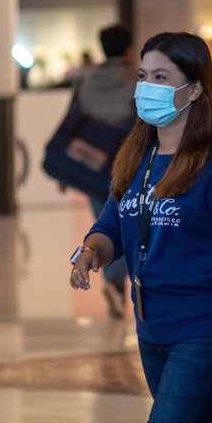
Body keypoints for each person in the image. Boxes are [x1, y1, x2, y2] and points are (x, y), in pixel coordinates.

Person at [70, 31, 212, 423]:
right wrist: (90, 252)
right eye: (143, 76)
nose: (147, 87)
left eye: (161, 78)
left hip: (208, 330)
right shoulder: (136, 158)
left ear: (194, 89)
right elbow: (112, 223)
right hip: (152, 329)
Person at [72, 23, 137, 318]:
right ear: (127, 48)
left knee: (104, 221)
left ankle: (113, 284)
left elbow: (73, 119)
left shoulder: (86, 78)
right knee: (123, 223)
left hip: (91, 162)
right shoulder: (136, 78)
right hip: (125, 159)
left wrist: (68, 169)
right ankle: (116, 285)